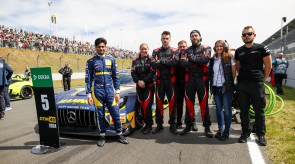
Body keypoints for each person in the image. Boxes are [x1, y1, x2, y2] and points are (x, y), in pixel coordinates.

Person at [85, 37, 128, 147]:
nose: (101, 48)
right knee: (100, 115)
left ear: (106, 47)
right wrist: (89, 95)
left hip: (110, 91)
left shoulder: (111, 60)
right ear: (95, 48)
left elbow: (116, 77)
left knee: (115, 113)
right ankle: (102, 135)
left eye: (103, 46)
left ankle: (119, 133)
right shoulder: (90, 61)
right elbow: (88, 79)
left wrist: (117, 92)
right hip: (97, 91)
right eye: (99, 47)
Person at [235, 26, 272, 146]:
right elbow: (238, 67)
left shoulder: (261, 48)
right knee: (243, 110)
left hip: (257, 84)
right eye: (244, 35)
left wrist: (262, 79)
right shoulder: (238, 51)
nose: (246, 36)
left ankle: (261, 134)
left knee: (259, 110)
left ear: (254, 35)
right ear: (242, 37)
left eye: (249, 34)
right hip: (243, 85)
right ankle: (245, 132)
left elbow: (268, 66)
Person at [180, 30, 213, 138]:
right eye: (192, 36)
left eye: (196, 35)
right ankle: (188, 125)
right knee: (189, 103)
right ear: (190, 38)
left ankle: (207, 127)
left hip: (202, 79)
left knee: (203, 104)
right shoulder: (186, 50)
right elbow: (183, 63)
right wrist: (197, 62)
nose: (194, 37)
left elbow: (205, 60)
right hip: (189, 78)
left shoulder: (206, 48)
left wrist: (192, 60)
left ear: (200, 37)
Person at [151, 31, 178, 135]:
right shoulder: (156, 51)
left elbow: (175, 63)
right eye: (163, 38)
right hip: (160, 81)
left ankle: (172, 125)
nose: (165, 40)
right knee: (159, 104)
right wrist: (167, 63)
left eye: (167, 38)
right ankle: (159, 125)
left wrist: (161, 62)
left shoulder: (174, 51)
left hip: (171, 81)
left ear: (170, 39)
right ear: (161, 39)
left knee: (172, 103)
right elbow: (153, 65)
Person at [208, 40, 236, 141]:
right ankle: (220, 129)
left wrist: (229, 85)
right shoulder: (212, 59)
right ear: (214, 48)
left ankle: (227, 131)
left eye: (221, 46)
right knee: (218, 110)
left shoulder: (229, 57)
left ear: (224, 47)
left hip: (226, 88)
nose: (219, 48)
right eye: (217, 46)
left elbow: (233, 73)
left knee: (227, 110)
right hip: (215, 87)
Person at [131, 43, 156, 134]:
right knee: (142, 105)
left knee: (147, 105)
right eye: (142, 49)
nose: (144, 50)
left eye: (145, 49)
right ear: (139, 50)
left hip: (148, 85)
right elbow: (133, 73)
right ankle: (144, 122)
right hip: (139, 86)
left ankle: (149, 125)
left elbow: (152, 72)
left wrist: (144, 81)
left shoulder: (152, 60)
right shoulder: (135, 61)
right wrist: (138, 81)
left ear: (148, 50)